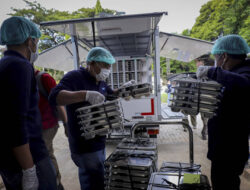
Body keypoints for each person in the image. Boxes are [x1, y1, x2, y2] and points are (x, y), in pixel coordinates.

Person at [0, 16, 57, 189]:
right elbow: (17, 123)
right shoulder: (21, 66)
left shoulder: (4, 64)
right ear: (29, 40)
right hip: (29, 157)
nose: (36, 45)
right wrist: (29, 170)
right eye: (36, 41)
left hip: (8, 158)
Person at [49, 47, 116, 190]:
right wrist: (85, 95)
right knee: (93, 182)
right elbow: (54, 97)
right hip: (84, 144)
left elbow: (111, 94)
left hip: (99, 140)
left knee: (99, 177)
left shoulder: (100, 81)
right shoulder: (74, 77)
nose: (108, 70)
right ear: (91, 63)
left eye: (109, 66)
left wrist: (126, 90)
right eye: (105, 65)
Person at [196, 34, 250, 190]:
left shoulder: (245, 72)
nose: (216, 62)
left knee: (225, 185)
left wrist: (212, 72)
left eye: (216, 57)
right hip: (222, 148)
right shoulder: (232, 74)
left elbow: (243, 85)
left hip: (230, 150)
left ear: (224, 56)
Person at [35, 69, 68, 190]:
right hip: (33, 127)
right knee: (46, 153)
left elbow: (58, 102)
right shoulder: (23, 78)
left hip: (48, 125)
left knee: (44, 153)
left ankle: (56, 183)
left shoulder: (44, 78)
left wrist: (66, 124)